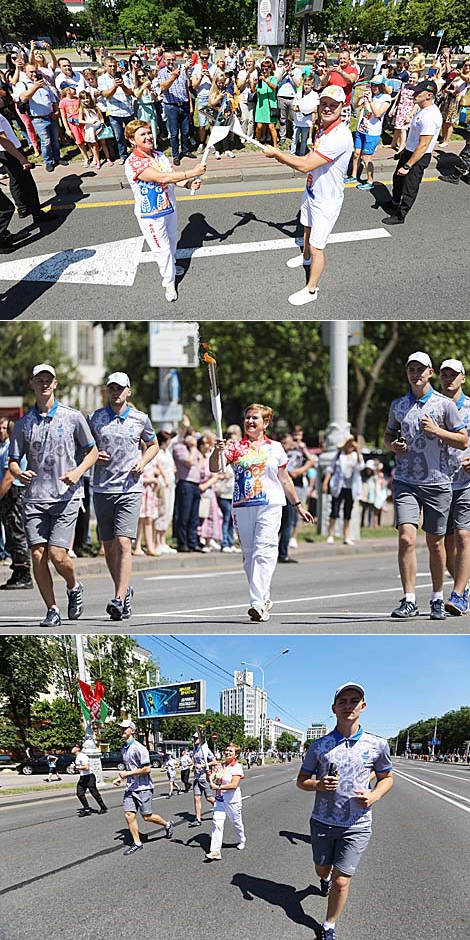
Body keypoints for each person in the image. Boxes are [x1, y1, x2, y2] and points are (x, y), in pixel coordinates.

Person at [297, 682, 394, 940]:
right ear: (334, 708)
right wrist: (318, 784)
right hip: (322, 822)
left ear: (362, 706)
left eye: (354, 700)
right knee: (322, 868)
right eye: (343, 701)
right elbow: (301, 780)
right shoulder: (319, 746)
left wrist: (375, 794)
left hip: (357, 824)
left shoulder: (377, 744)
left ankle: (329, 924)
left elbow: (387, 777)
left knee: (342, 881)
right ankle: (323, 879)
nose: (348, 705)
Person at [9, 364, 98, 628]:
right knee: (37, 554)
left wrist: (78, 471)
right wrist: (19, 473)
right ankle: (52, 609)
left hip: (66, 496)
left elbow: (92, 451)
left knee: (58, 555)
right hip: (35, 498)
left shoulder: (72, 417)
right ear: (32, 384)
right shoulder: (24, 424)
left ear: (56, 384)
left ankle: (73, 586)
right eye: (40, 380)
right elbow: (13, 461)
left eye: (49, 380)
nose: (44, 384)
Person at [209, 403, 313, 622]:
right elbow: (215, 468)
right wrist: (217, 451)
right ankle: (263, 598)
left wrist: (298, 505)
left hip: (270, 504)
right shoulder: (235, 447)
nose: (249, 421)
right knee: (248, 557)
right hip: (242, 506)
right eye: (247, 418)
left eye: (254, 418)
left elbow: (284, 479)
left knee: (263, 551)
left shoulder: (275, 447)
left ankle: (256, 603)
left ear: (265, 422)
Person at [384, 351, 467, 620]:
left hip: (439, 483)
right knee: (407, 538)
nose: (416, 373)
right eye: (411, 369)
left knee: (436, 543)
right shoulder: (398, 404)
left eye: (421, 369)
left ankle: (437, 598)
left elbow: (463, 440)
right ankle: (409, 599)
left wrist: (437, 432)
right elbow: (388, 433)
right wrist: (393, 445)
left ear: (430, 373)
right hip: (406, 481)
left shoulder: (444, 405)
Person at [264, 85, 353, 306]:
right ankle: (304, 258)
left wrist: (277, 154)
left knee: (317, 247)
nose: (327, 108)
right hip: (313, 191)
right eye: (324, 104)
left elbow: (305, 165)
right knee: (306, 226)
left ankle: (311, 289)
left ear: (342, 107)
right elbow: (310, 159)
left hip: (327, 200)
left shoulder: (339, 136)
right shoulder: (323, 129)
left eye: (333, 105)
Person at [87, 371, 159, 621]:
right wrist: (95, 453)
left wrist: (143, 462)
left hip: (130, 489)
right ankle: (124, 589)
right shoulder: (95, 418)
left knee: (124, 542)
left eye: (120, 388)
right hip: (103, 488)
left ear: (129, 391)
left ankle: (117, 599)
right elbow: (84, 447)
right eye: (112, 388)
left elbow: (154, 444)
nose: (116, 392)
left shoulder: (140, 419)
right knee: (108, 545)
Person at [124, 119, 206, 303]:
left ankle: (172, 266)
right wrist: (191, 172)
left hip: (169, 206)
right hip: (150, 214)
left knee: (172, 240)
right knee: (161, 249)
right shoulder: (133, 162)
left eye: (148, 133)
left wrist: (187, 183)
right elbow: (161, 177)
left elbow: (171, 178)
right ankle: (169, 283)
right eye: (142, 135)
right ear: (132, 140)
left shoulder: (159, 155)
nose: (148, 137)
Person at [382, 80, 442, 226]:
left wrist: (408, 165)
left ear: (429, 95)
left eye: (417, 92)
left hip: (418, 157)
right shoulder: (422, 110)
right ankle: (395, 202)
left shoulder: (430, 116)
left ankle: (400, 215)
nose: (413, 94)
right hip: (409, 152)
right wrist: (403, 150)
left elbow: (423, 145)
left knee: (409, 187)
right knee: (397, 180)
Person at [113, 719, 173, 855]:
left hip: (144, 788)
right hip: (130, 788)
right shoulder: (124, 749)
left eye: (125, 728)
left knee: (147, 816)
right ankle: (137, 843)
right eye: (121, 728)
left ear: (132, 731)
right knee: (129, 815)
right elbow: (130, 769)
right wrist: (121, 777)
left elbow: (147, 769)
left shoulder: (139, 748)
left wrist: (127, 773)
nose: (122, 731)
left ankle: (167, 824)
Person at [438, 359, 470, 615]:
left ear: (463, 378)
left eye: (453, 375)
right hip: (438, 484)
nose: (448, 379)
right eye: (444, 374)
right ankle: (465, 584)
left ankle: (458, 595)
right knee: (446, 548)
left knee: (463, 536)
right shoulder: (433, 406)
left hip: (466, 482)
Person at [0, 416, 32, 590]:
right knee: (12, 535)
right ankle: (17, 572)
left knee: (16, 534)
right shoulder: (9, 447)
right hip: (11, 494)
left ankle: (24, 573)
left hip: (14, 493)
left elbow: (8, 478)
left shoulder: (14, 448)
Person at [16, 63, 65, 173]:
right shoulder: (23, 84)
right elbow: (23, 97)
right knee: (45, 141)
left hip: (51, 116)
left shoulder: (44, 84)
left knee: (55, 140)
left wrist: (56, 111)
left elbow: (52, 100)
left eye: (35, 71)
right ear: (25, 72)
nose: (34, 74)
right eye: (31, 72)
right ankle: (48, 162)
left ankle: (58, 158)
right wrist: (35, 87)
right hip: (38, 119)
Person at [346, 76, 391, 190]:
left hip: (372, 132)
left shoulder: (385, 98)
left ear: (381, 86)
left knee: (366, 158)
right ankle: (353, 176)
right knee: (356, 154)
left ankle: (370, 181)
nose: (374, 87)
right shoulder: (369, 95)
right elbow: (355, 106)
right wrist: (360, 97)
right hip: (361, 129)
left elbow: (377, 113)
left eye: (376, 85)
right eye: (372, 85)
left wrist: (370, 101)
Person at [205, 743, 246, 861]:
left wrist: (217, 788)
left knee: (236, 822)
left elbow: (234, 785)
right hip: (220, 800)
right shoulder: (220, 766)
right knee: (217, 823)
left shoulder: (237, 767)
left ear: (236, 755)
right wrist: (209, 775)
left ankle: (241, 839)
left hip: (232, 800)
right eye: (226, 750)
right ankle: (215, 851)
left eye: (230, 751)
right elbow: (212, 778)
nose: (227, 752)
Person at [323, 436, 364, 545]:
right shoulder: (338, 456)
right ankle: (330, 535)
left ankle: (346, 536)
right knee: (335, 510)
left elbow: (361, 466)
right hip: (338, 486)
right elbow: (330, 469)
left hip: (351, 487)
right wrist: (326, 483)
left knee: (348, 511)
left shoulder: (356, 456)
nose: (350, 447)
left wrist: (358, 451)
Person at [159, 50, 194, 166]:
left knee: (185, 131)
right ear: (164, 60)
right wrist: (173, 77)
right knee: (174, 133)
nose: (171, 62)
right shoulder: (162, 72)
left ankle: (185, 150)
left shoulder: (182, 70)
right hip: (171, 106)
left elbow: (187, 88)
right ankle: (175, 154)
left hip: (183, 104)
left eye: (173, 59)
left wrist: (190, 105)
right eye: (168, 59)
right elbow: (163, 87)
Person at [97, 57, 133, 163]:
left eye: (114, 66)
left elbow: (130, 92)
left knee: (132, 134)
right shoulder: (102, 79)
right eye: (110, 66)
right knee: (119, 136)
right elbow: (106, 95)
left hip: (128, 111)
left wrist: (122, 85)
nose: (112, 68)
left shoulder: (124, 76)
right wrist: (115, 86)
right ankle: (123, 155)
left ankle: (136, 153)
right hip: (114, 112)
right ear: (105, 67)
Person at [321, 49, 359, 126]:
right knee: (328, 127)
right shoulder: (333, 70)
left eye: (344, 58)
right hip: (329, 106)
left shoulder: (353, 70)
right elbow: (323, 83)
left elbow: (351, 80)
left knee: (342, 130)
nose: (342, 60)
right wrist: (327, 73)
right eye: (340, 58)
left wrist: (340, 71)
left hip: (343, 107)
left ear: (349, 59)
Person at [188, 730, 216, 827]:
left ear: (200, 739)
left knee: (208, 798)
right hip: (197, 777)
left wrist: (203, 765)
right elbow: (195, 761)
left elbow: (214, 761)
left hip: (205, 777)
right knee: (196, 798)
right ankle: (198, 819)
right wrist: (193, 766)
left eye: (196, 738)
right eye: (193, 738)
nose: (194, 740)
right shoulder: (194, 749)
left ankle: (220, 808)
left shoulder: (205, 750)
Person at [71, 744, 108, 816]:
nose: (71, 749)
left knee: (94, 793)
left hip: (89, 777)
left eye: (72, 747)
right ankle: (86, 809)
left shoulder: (82, 756)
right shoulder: (78, 757)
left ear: (77, 748)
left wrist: (75, 767)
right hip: (83, 777)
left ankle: (103, 807)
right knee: (80, 793)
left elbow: (86, 767)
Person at [191, 49, 217, 152]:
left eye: (206, 57)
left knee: (211, 122)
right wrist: (201, 77)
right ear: (199, 57)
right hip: (201, 98)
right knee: (202, 124)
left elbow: (217, 83)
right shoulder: (196, 68)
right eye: (202, 58)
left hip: (211, 98)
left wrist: (210, 77)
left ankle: (212, 143)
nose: (205, 60)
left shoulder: (214, 68)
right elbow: (194, 85)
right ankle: (201, 143)